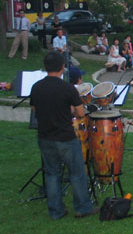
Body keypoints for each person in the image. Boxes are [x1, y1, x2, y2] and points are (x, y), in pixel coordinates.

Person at [30, 51, 99, 220]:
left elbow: (34, 110)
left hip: (45, 136)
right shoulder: (67, 88)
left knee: (52, 174)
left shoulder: (37, 87)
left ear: (45, 67)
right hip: (65, 137)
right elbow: (81, 112)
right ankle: (82, 207)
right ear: (62, 68)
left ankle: (56, 211)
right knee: (76, 173)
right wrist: (68, 111)